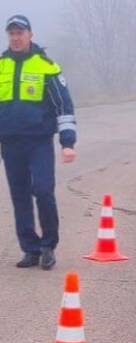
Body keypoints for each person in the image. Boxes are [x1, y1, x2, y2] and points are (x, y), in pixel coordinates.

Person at [0, 14, 75, 270]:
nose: (15, 37)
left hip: (39, 142)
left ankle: (48, 246)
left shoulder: (47, 65)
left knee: (43, 191)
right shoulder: (1, 65)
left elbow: (63, 105)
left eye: (20, 32)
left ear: (30, 35)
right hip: (10, 144)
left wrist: (67, 141)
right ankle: (30, 249)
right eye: (11, 33)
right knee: (19, 197)